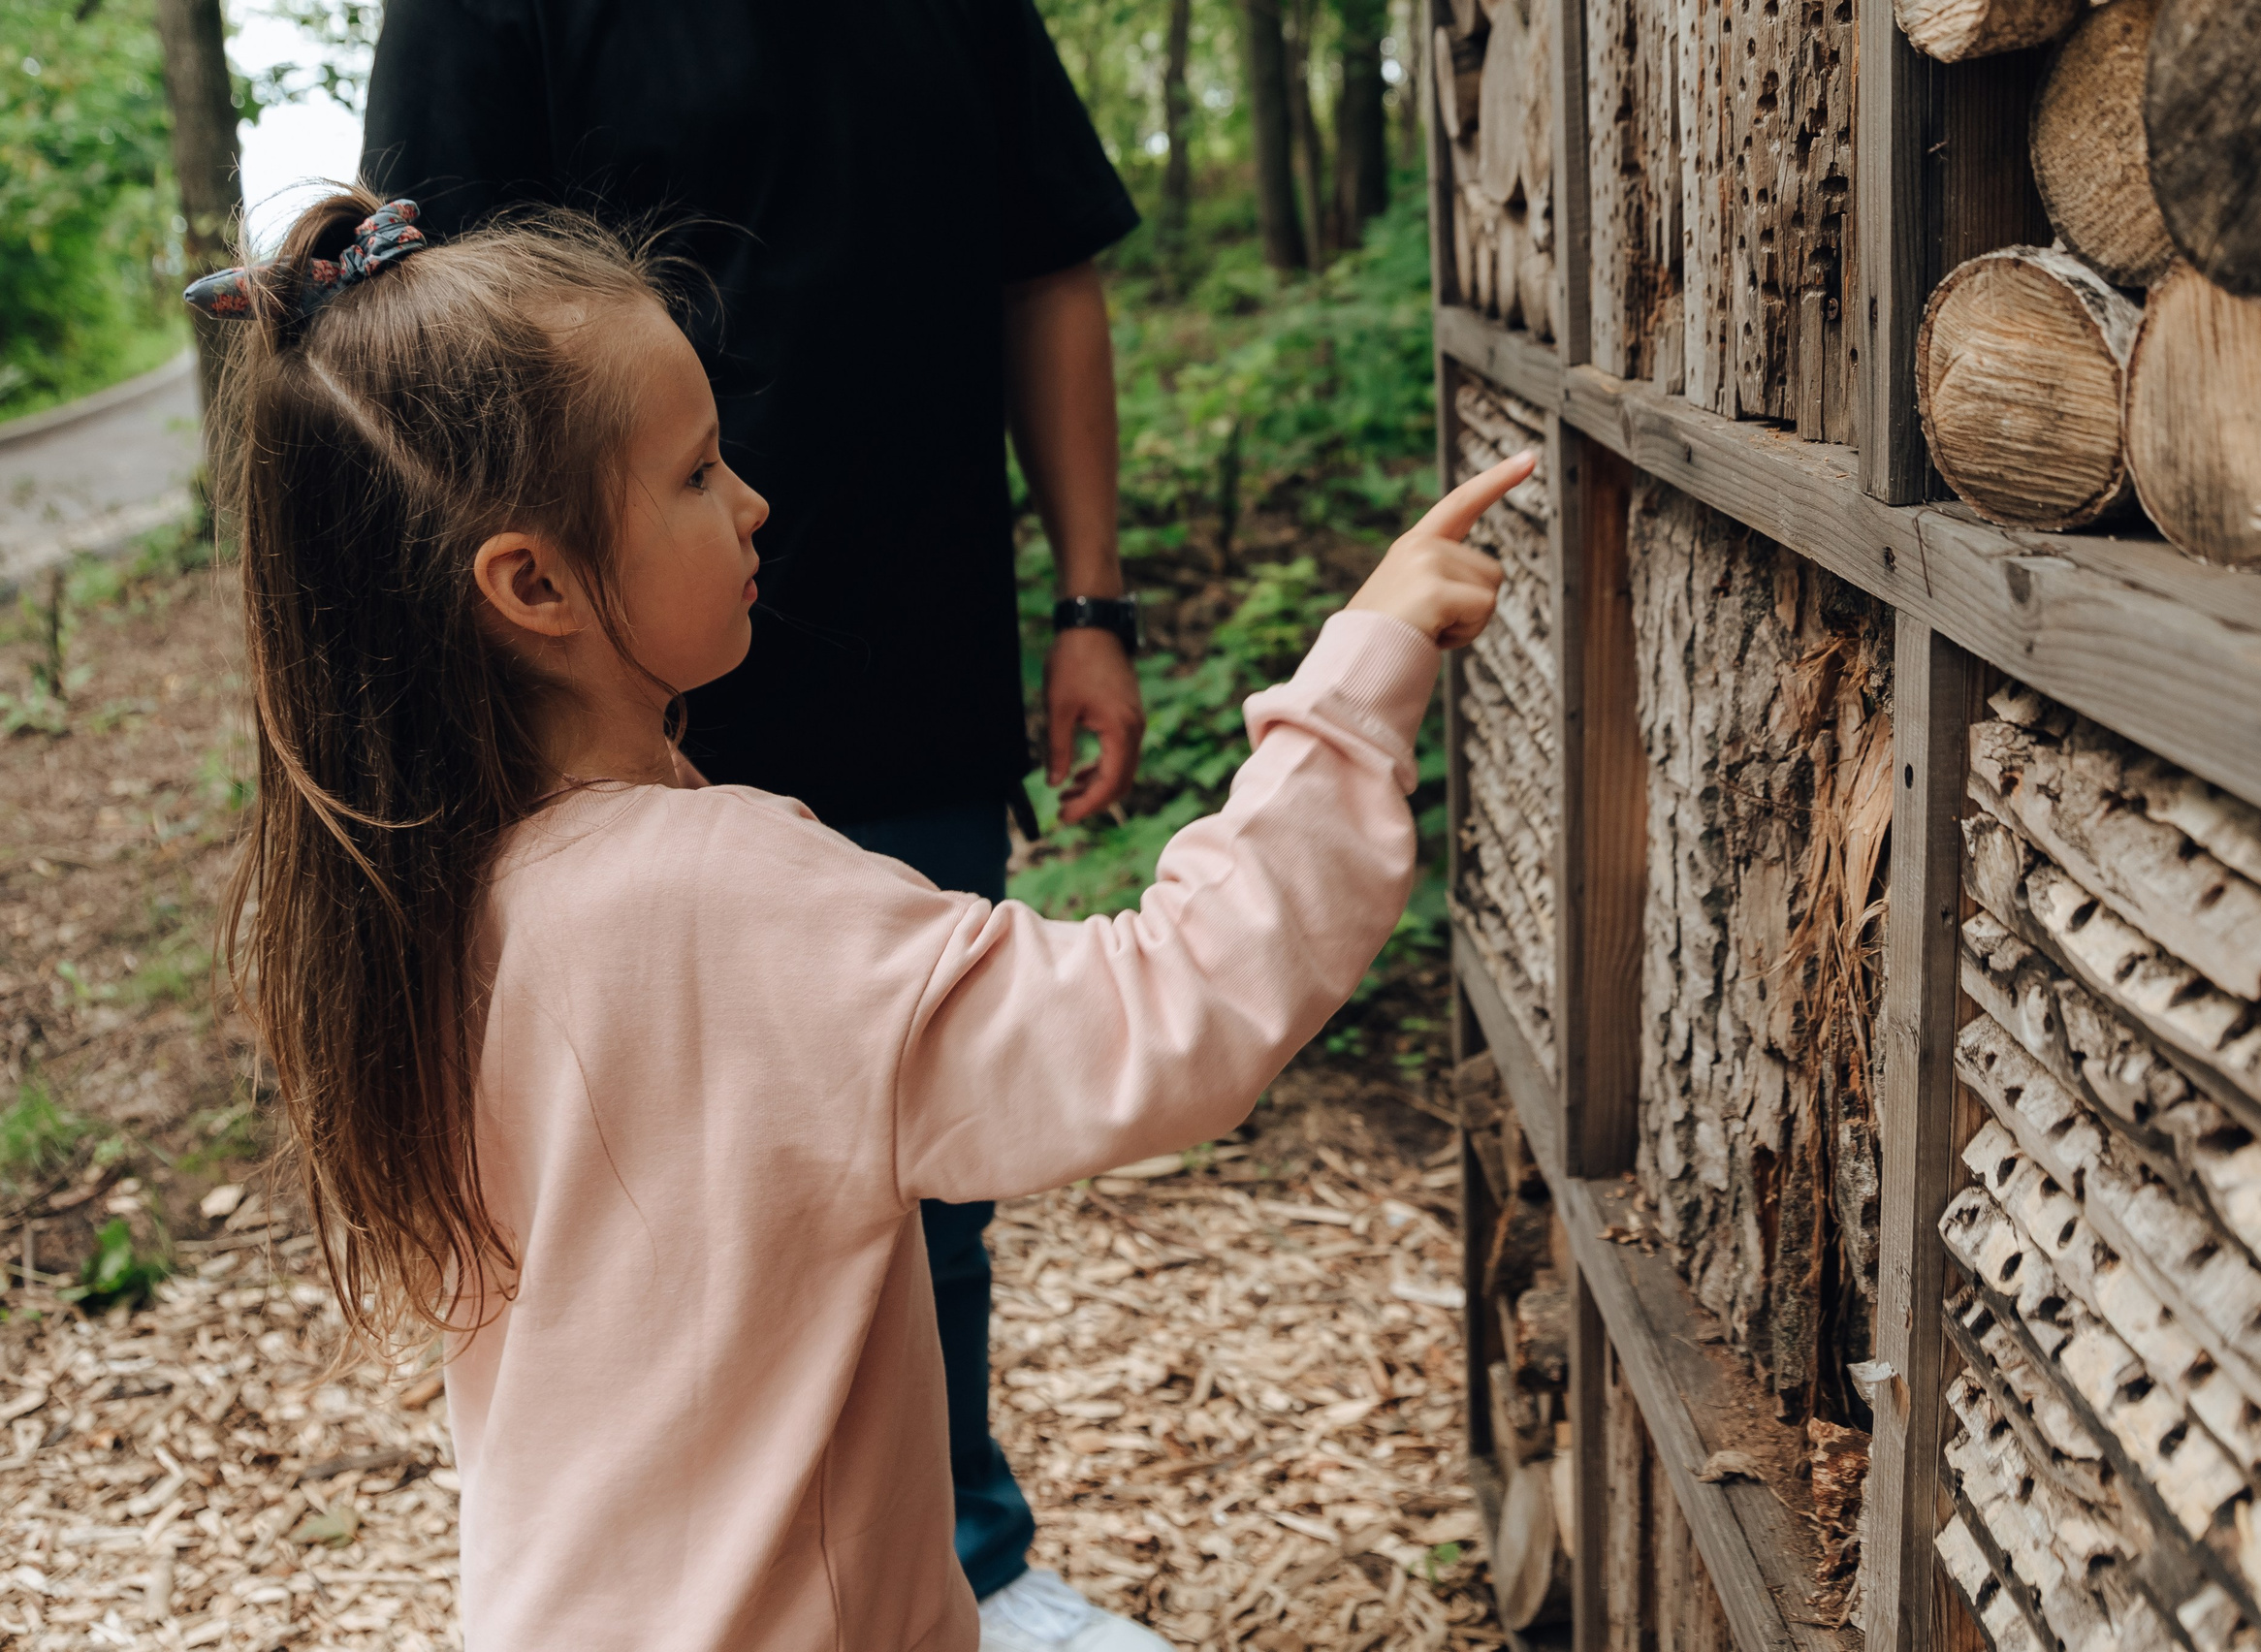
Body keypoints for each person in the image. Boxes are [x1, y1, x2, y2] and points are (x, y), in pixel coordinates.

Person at [201, 192, 1531, 1652]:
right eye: (698, 473)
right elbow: (1170, 1013)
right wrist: (1361, 676)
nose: (754, 500)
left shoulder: (418, 891)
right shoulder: (707, 897)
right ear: (533, 584)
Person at [356, 6, 1152, 1639]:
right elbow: (410, 372)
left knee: (925, 1188)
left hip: (916, 662)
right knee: (630, 1216)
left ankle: (965, 1561)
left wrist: (1094, 602)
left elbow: (1044, 260)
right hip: (596, 704)